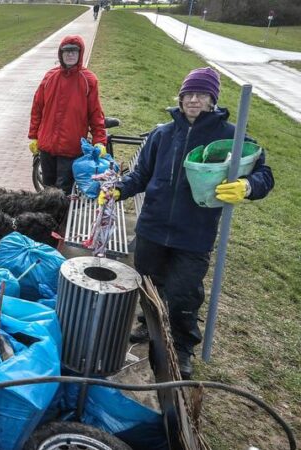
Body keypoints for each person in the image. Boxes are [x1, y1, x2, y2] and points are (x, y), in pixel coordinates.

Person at [101, 67, 274, 379]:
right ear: (180, 98)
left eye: (201, 95)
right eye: (188, 94)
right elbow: (141, 175)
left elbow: (265, 174)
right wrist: (119, 190)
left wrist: (247, 186)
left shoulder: (230, 138)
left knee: (184, 295)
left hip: (194, 234)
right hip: (153, 227)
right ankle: (149, 324)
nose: (194, 100)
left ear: (212, 100)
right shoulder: (163, 134)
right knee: (149, 283)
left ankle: (182, 349)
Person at [28, 35, 107, 195]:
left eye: (74, 51)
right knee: (47, 190)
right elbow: (37, 108)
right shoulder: (49, 77)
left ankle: (63, 212)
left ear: (80, 53)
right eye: (66, 51)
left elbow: (95, 114)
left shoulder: (88, 80)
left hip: (70, 148)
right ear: (61, 53)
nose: (70, 54)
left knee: (63, 192)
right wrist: (34, 136)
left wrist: (99, 141)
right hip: (47, 146)